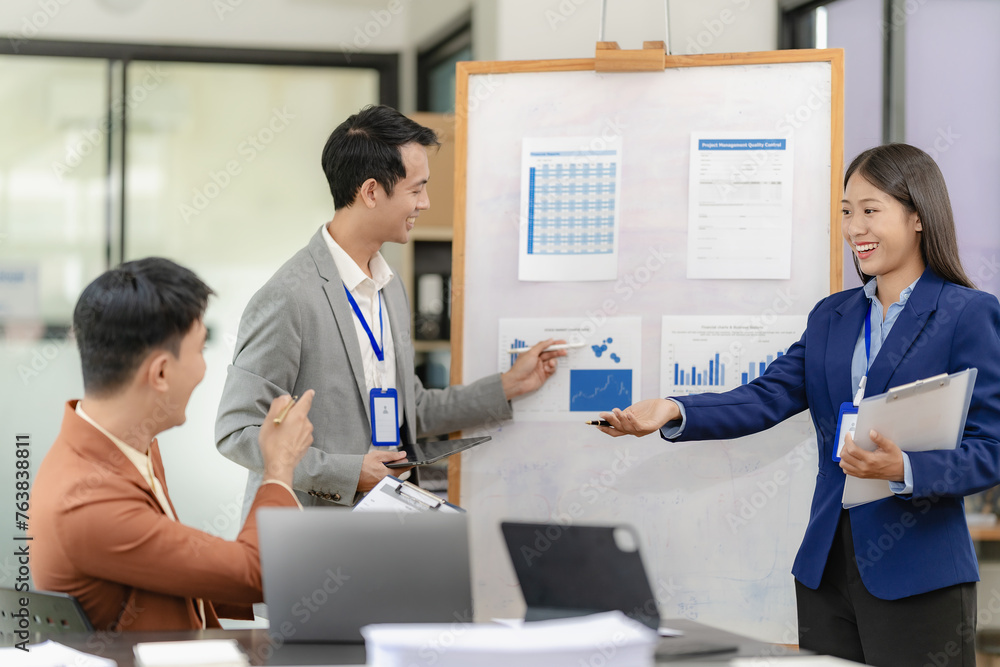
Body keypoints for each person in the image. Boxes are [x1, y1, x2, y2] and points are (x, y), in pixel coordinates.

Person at [598, 144, 1000, 666]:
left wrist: (904, 467)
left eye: (871, 210)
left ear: (918, 216)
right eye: (846, 211)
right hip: (824, 572)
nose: (856, 227)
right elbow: (768, 395)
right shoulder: (832, 315)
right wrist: (674, 409)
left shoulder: (967, 313)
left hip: (918, 572)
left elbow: (991, 448)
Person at [215, 104, 564, 513]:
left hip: (384, 521)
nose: (426, 203)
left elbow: (408, 409)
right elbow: (237, 430)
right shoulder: (289, 297)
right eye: (416, 190)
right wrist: (345, 473)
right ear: (370, 192)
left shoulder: (389, 287)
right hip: (309, 536)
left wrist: (509, 385)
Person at [31, 258, 315, 632]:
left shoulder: (126, 446)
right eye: (200, 349)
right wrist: (278, 468)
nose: (203, 367)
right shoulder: (87, 500)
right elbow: (255, 572)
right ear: (161, 372)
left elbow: (165, 572)